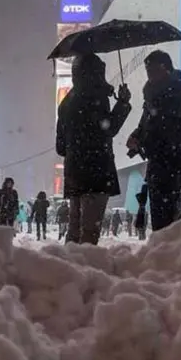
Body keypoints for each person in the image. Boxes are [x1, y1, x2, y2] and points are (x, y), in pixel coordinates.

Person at [127, 51, 181, 232]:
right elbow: (146, 124)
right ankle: (164, 254)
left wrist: (180, 138)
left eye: (153, 69)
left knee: (169, 219)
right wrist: (136, 137)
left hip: (175, 162)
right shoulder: (151, 96)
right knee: (160, 220)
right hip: (156, 162)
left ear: (165, 68)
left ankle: (170, 254)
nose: (149, 74)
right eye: (147, 70)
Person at [56, 53, 132, 245]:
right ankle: (82, 272)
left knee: (74, 230)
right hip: (97, 172)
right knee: (90, 232)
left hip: (74, 174)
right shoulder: (96, 98)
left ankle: (67, 269)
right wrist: (122, 104)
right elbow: (109, 129)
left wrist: (76, 148)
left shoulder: (66, 102)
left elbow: (60, 147)